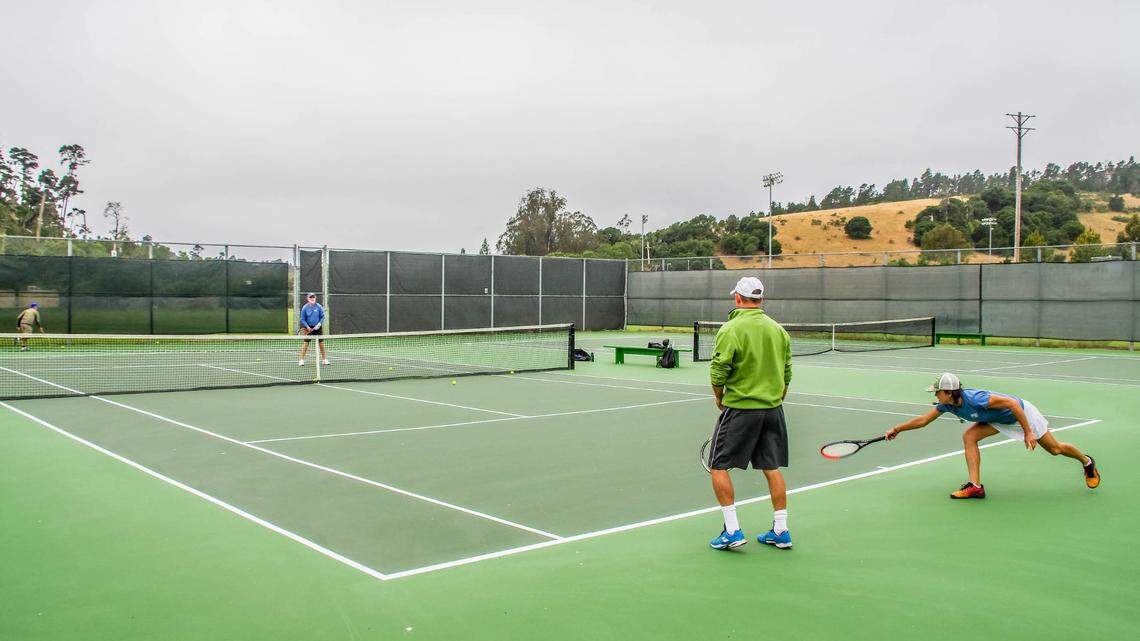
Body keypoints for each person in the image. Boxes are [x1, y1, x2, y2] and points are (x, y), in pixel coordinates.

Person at [885, 372, 1100, 498]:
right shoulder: (947, 406)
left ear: (949, 392)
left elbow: (1013, 404)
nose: (935, 394)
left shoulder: (977, 398)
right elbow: (922, 421)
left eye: (937, 391)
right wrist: (897, 429)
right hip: (998, 420)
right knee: (969, 436)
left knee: (1055, 449)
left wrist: (1028, 432)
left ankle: (1087, 462)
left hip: (1022, 414)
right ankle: (975, 487)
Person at [707, 276, 794, 550]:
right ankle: (781, 531)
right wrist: (776, 397)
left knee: (718, 466)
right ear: (760, 299)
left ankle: (732, 531)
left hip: (741, 408)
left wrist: (719, 397)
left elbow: (719, 369)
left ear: (737, 298)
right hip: (772, 409)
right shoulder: (779, 330)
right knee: (771, 467)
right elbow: (787, 372)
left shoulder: (730, 328)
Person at [298, 292, 330, 366]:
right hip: (308, 328)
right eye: (310, 297)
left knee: (321, 344)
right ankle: (301, 360)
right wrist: (307, 327)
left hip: (318, 328)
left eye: (313, 297)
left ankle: (324, 360)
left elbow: (322, 316)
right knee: (306, 344)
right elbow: (302, 319)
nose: (312, 299)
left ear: (315, 298)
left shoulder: (319, 306)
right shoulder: (305, 308)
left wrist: (319, 324)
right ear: (308, 299)